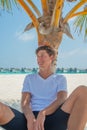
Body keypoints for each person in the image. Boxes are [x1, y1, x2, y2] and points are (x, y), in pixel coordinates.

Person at [0, 45, 87, 130]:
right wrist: (30, 118)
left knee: (83, 90)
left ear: (51, 57)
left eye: (42, 56)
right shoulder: (29, 78)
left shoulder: (60, 78)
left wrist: (43, 113)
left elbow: (61, 99)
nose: (39, 59)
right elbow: (25, 103)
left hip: (54, 118)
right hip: (31, 120)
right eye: (37, 56)